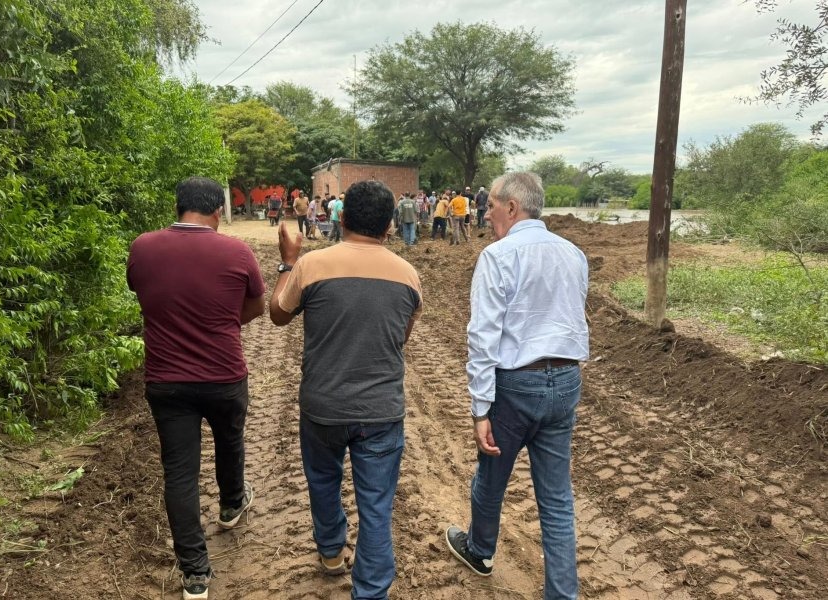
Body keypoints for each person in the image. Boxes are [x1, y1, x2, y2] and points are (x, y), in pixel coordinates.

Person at [269, 180, 422, 600]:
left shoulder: (312, 265)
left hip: (322, 405)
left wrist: (287, 262)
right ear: (389, 225)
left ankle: (332, 552)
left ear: (343, 217)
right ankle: (371, 591)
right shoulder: (408, 276)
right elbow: (400, 338)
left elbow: (278, 315)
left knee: (322, 480)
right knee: (376, 506)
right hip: (381, 411)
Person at [445, 172, 589, 600]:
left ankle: (480, 549)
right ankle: (562, 594)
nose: (485, 213)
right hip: (565, 381)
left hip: (516, 386)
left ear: (512, 207)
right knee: (557, 497)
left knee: (491, 475)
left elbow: (483, 337)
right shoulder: (573, 253)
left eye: (490, 204)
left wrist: (480, 408)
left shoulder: (498, 256)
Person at [127, 176, 265, 600]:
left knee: (180, 473)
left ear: (178, 207)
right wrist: (220, 324)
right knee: (230, 441)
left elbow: (142, 294)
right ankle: (230, 505)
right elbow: (256, 306)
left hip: (167, 381)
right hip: (224, 375)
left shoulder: (143, 247)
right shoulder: (237, 251)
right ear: (217, 212)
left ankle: (195, 576)